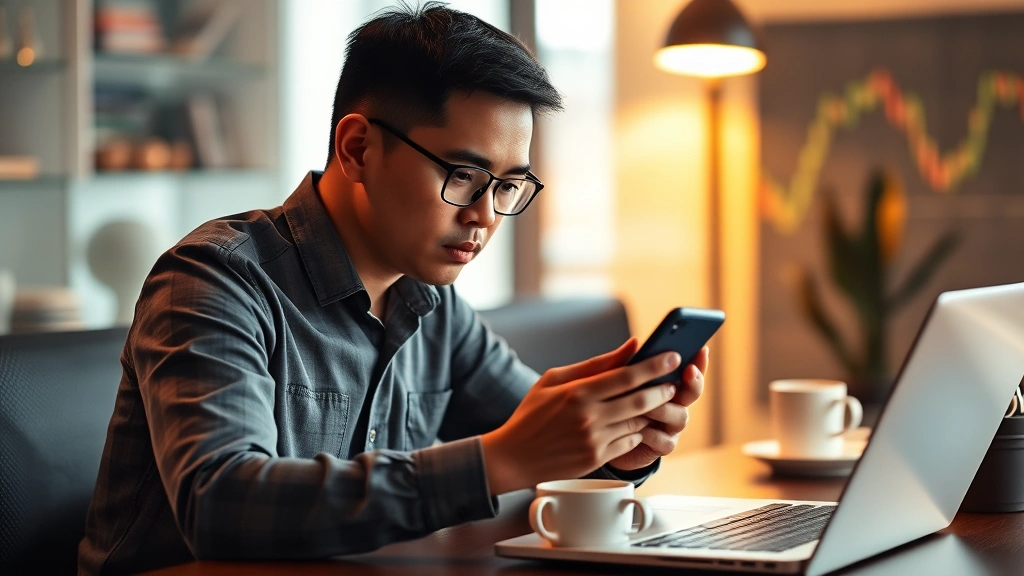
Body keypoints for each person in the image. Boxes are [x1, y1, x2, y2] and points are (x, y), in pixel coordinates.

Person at [78, 4, 709, 575]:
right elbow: (221, 503)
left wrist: (617, 444)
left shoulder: (433, 304)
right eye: (464, 175)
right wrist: (497, 462)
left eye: (509, 186)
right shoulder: (213, 280)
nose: (486, 215)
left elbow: (534, 437)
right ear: (357, 149)